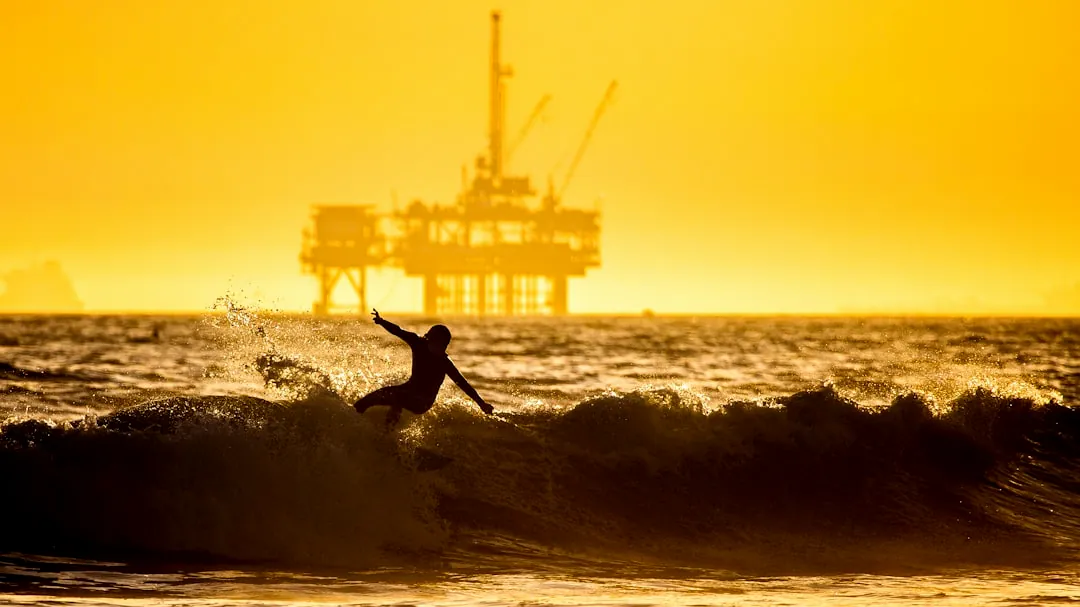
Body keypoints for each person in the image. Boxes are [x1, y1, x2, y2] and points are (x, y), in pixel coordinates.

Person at [354, 309, 494, 426]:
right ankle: (353, 421)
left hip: (423, 402)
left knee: (399, 398)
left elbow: (463, 384)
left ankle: (387, 433)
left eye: (444, 346)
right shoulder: (418, 343)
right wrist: (381, 321)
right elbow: (399, 331)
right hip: (408, 389)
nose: (441, 349)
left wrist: (481, 404)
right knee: (370, 399)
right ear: (429, 339)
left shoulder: (444, 362)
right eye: (438, 344)